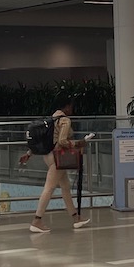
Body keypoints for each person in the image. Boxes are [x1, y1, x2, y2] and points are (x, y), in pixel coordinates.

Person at [31, 96, 89, 232]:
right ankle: (37, 220)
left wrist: (29, 153)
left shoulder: (52, 119)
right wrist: (78, 143)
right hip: (59, 158)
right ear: (67, 106)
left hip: (48, 155)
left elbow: (45, 139)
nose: (72, 109)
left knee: (65, 187)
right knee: (49, 188)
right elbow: (62, 141)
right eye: (71, 106)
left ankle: (76, 218)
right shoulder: (65, 120)